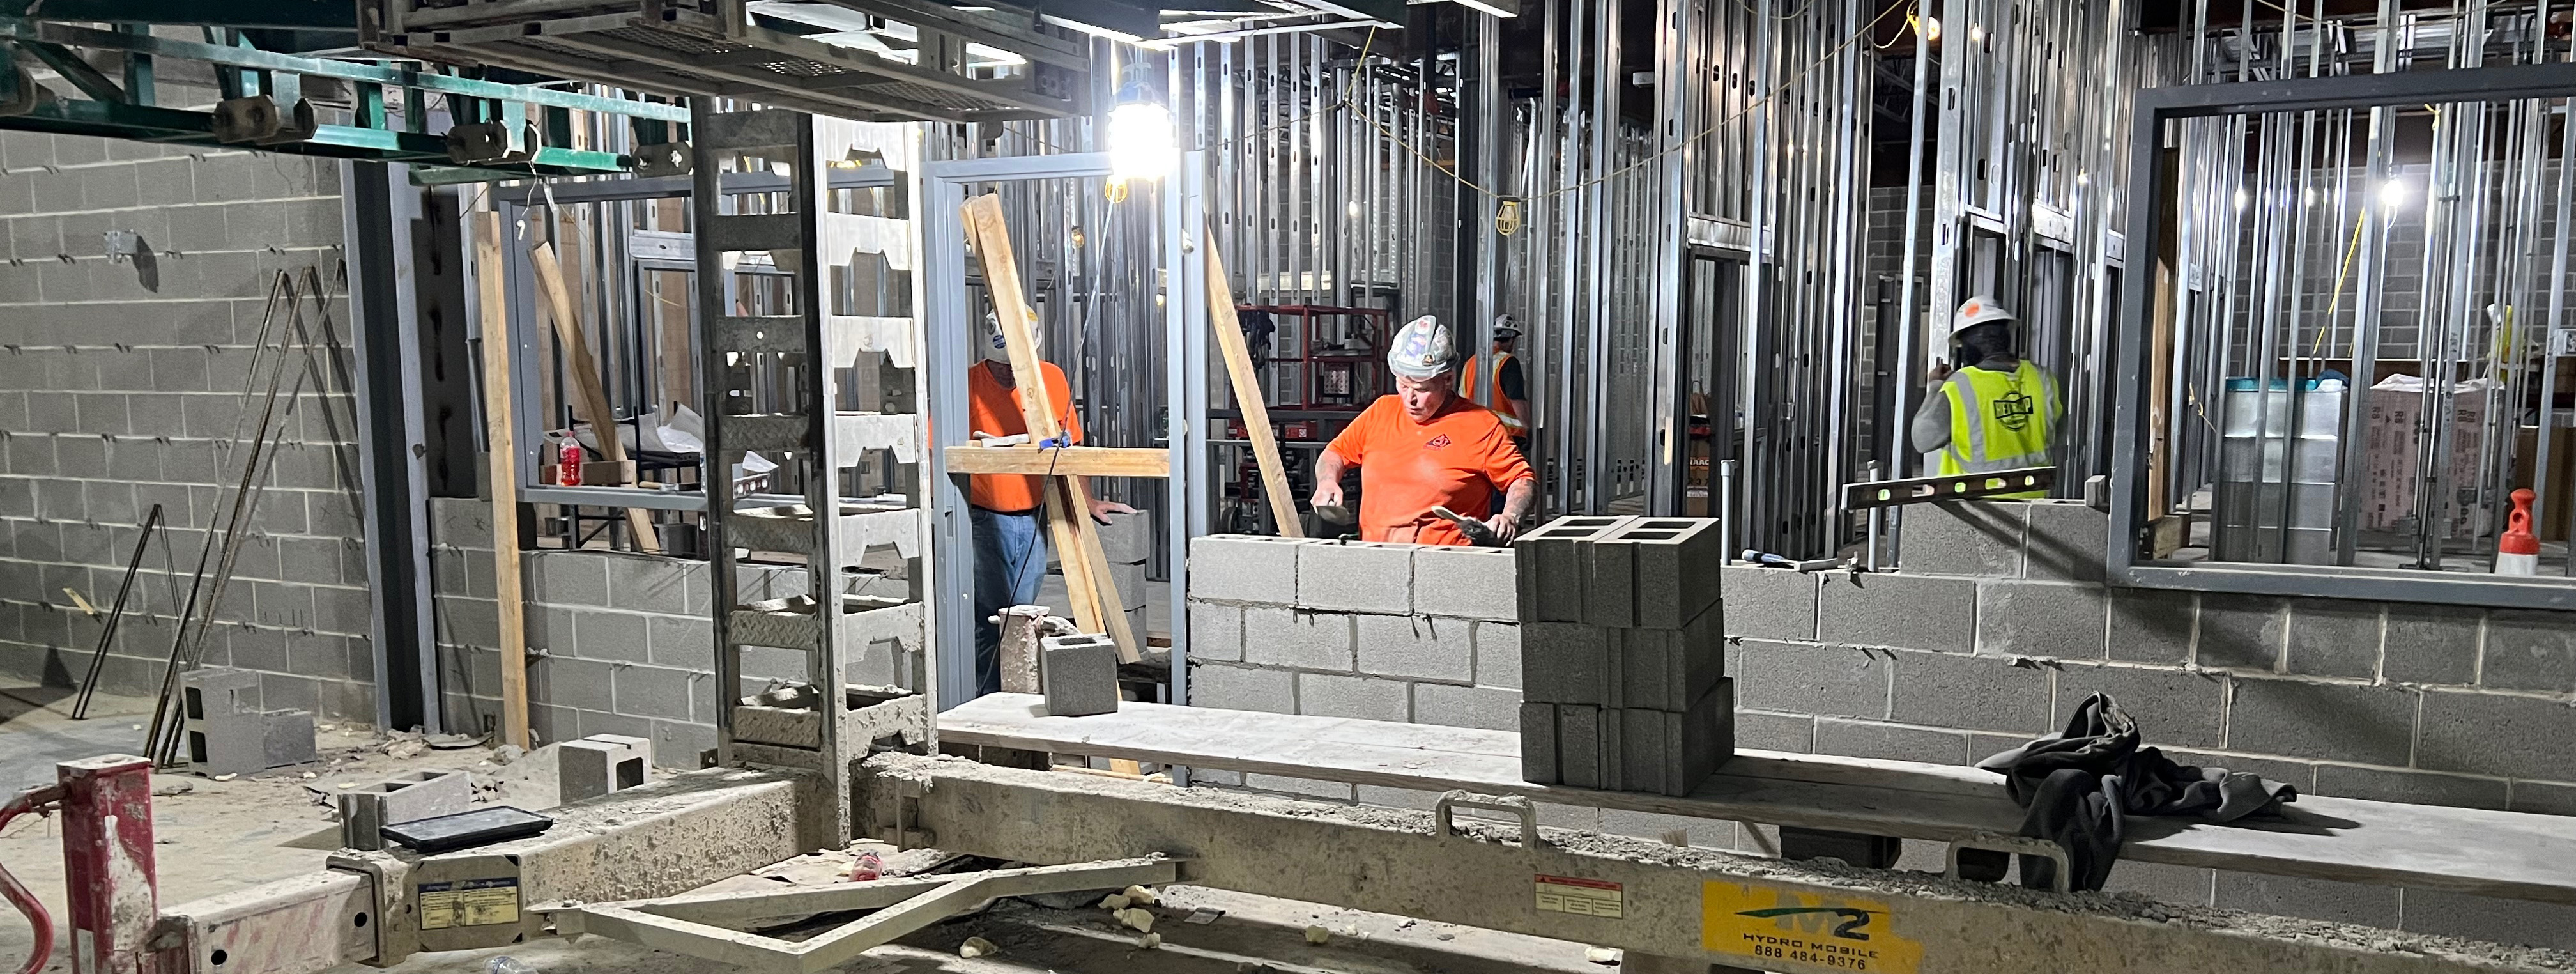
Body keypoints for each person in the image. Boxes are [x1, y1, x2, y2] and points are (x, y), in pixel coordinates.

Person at [967, 311, 1133, 697]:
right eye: (1002, 367)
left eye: (1015, 367)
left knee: (1022, 614)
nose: (1009, 375)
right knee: (993, 617)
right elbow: (937, 452)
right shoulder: (968, 383)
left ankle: (1016, 695)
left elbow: (1069, 443)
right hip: (982, 518)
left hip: (1034, 515)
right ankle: (991, 702)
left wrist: (1086, 500)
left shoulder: (1052, 378)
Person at [1312, 315, 1537, 546]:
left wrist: (1510, 516)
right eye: (1403, 385)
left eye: (1421, 389)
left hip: (1444, 564)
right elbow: (1335, 453)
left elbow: (1522, 479)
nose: (1410, 399)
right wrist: (1328, 481)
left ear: (1448, 379)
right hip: (1377, 560)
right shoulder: (1381, 412)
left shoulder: (1482, 426)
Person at [1909, 295, 2062, 499]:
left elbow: (1923, 440)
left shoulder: (1960, 384)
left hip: (1977, 506)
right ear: (2006, 335)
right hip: (2034, 502)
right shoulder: (2042, 378)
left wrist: (1936, 387)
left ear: (1968, 345)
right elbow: (2059, 435)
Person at [1458, 314, 1531, 458]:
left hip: (1472, 435)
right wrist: (1528, 429)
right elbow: (1517, 400)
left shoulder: (1471, 362)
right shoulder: (1508, 362)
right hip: (1504, 437)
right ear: (1512, 339)